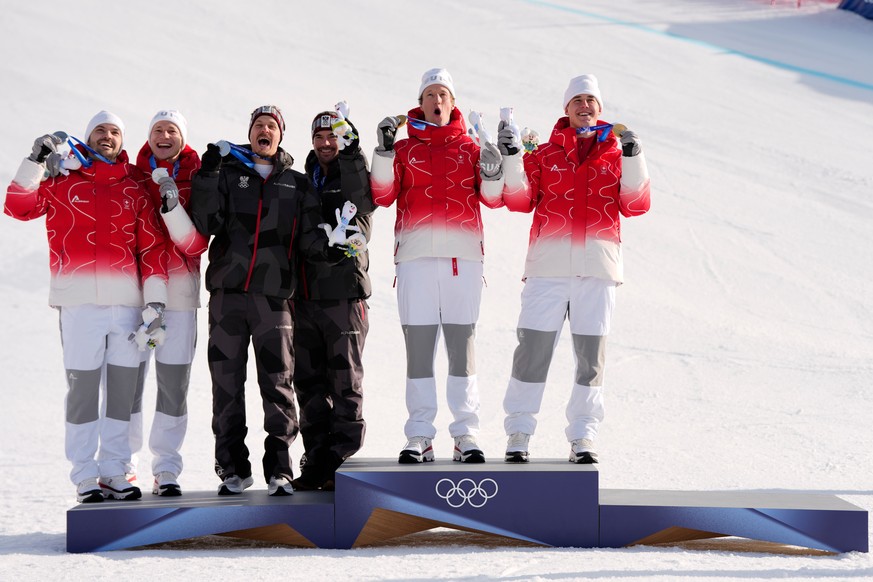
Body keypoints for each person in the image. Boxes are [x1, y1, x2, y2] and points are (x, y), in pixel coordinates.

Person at [4, 111, 169, 502]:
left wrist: (156, 303)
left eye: (114, 132)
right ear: (88, 138)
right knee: (82, 392)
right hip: (78, 305)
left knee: (122, 394)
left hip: (127, 307)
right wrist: (34, 162)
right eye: (100, 130)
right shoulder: (61, 183)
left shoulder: (133, 190)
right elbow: (16, 206)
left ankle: (114, 470)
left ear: (122, 141)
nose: (107, 136)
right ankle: (83, 474)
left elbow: (152, 248)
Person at [499, 74, 651, 464]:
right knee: (531, 352)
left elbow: (637, 204)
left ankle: (583, 435)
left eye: (591, 100)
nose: (585, 106)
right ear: (565, 110)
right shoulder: (546, 154)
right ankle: (519, 430)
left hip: (597, 272)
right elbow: (518, 201)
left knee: (590, 358)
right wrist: (514, 157)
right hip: (547, 269)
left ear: (600, 109)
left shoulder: (617, 154)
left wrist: (634, 158)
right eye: (577, 101)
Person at [370, 68, 505, 464]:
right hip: (414, 260)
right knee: (419, 351)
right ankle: (420, 435)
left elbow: (493, 199)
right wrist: (381, 150)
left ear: (452, 102)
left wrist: (494, 170)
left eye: (443, 93)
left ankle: (466, 433)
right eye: (430, 94)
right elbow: (381, 194)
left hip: (462, 259)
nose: (437, 100)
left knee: (462, 350)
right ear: (421, 102)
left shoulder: (470, 148)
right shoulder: (404, 150)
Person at [191, 105, 324, 496]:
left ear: (280, 136)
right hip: (227, 298)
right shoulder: (229, 176)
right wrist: (208, 174)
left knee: (278, 383)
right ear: (249, 133)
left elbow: (309, 241)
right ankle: (232, 468)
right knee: (226, 384)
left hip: (275, 299)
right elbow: (207, 223)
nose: (264, 130)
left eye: (271, 126)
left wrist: (338, 249)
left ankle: (280, 468)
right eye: (258, 125)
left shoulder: (297, 185)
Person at [291, 106, 374, 491]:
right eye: (320, 137)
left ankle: (342, 457)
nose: (327, 144)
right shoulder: (303, 179)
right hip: (305, 295)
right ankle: (317, 456)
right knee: (308, 382)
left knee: (345, 380)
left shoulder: (353, 173)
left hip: (344, 294)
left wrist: (353, 149)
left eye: (334, 137)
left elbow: (364, 197)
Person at [130, 110, 206, 496]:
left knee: (173, 386)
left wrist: (173, 203)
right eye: (158, 130)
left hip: (179, 296)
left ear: (182, 138)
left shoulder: (200, 176)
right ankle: (122, 466)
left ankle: (166, 469)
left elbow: (196, 244)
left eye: (171, 130)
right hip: (135, 295)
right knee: (128, 385)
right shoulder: (131, 175)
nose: (164, 135)